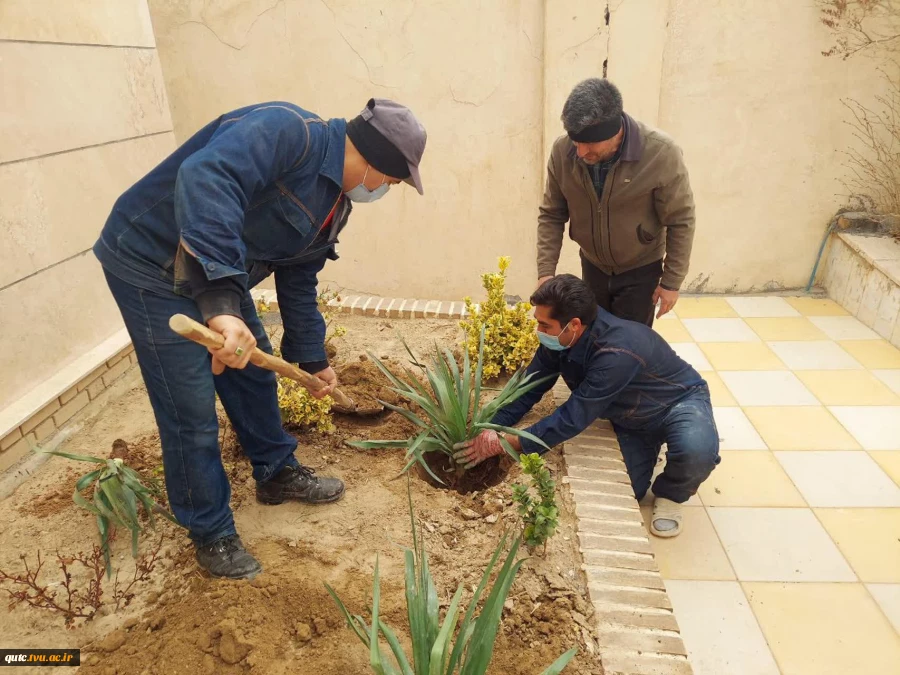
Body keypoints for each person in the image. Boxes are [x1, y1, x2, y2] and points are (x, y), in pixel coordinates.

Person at [93, 99, 426, 578]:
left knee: (252, 374)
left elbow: (299, 278)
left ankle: (275, 472)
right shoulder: (288, 131)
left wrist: (311, 358)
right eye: (393, 180)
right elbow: (207, 177)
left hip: (216, 275)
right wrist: (222, 308)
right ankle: (211, 532)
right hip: (151, 263)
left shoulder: (335, 203)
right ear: (375, 162)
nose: (387, 189)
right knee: (190, 408)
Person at [454, 275, 719, 537]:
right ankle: (653, 445)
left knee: (696, 451)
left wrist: (509, 442)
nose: (539, 332)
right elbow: (531, 385)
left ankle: (672, 493)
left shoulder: (617, 353)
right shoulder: (560, 337)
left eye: (545, 325)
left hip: (677, 402)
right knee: (629, 491)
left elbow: (573, 417)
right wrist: (491, 424)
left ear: (574, 325)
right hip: (630, 418)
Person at [536, 78, 696, 327]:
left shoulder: (660, 153)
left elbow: (680, 219)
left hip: (641, 270)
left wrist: (671, 282)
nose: (579, 152)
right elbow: (551, 214)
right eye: (575, 142)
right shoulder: (562, 152)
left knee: (629, 347)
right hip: (592, 266)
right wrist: (546, 271)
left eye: (589, 143)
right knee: (594, 336)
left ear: (615, 132)